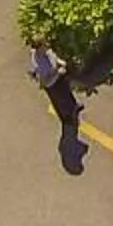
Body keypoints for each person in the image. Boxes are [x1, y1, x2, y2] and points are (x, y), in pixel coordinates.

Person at [29, 41, 83, 169]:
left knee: (68, 94)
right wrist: (58, 71)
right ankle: (67, 119)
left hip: (59, 78)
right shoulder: (38, 62)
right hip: (52, 85)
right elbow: (45, 80)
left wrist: (59, 63)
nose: (47, 46)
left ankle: (74, 107)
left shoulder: (45, 51)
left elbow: (53, 56)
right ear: (39, 48)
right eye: (44, 46)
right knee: (61, 102)